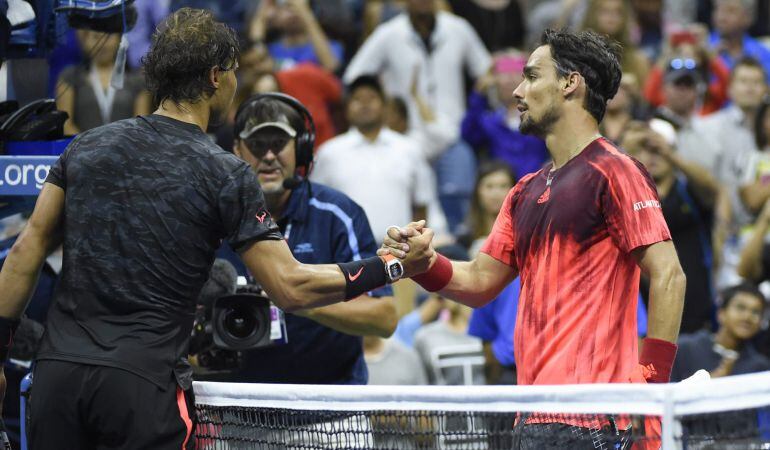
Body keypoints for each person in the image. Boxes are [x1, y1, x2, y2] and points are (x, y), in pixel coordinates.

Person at [0, 9, 429, 449]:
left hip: (58, 379)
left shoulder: (85, 146)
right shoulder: (224, 172)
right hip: (140, 392)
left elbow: (24, 253)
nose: (235, 83)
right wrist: (393, 266)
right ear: (214, 77)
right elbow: (291, 287)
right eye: (234, 73)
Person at [382, 28, 686, 449]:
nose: (518, 91)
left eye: (531, 76)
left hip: (594, 415)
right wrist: (424, 264)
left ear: (569, 83)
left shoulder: (615, 171)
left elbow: (669, 275)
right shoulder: (524, 189)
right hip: (531, 414)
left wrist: (650, 384)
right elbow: (478, 283)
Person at [225, 93, 398, 386]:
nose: (268, 156)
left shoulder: (338, 215)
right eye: (257, 145)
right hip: (239, 409)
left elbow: (383, 317)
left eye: (279, 144)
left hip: (331, 413)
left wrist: (297, 299)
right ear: (237, 151)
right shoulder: (216, 218)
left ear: (301, 149)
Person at [622, 119, 730, 333]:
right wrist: (627, 151)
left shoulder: (689, 191)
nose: (652, 156)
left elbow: (714, 190)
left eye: (658, 150)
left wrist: (669, 153)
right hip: (646, 315)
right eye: (645, 150)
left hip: (697, 312)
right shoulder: (629, 195)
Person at [312, 75, 435, 242]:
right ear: (346, 109)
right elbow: (316, 206)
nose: (365, 103)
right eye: (357, 99)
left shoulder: (409, 149)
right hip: (344, 254)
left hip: (400, 252)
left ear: (384, 107)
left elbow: (421, 204)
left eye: (372, 98)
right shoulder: (329, 152)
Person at [672, 283, 770, 381]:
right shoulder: (685, 349)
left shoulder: (761, 368)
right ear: (721, 313)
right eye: (741, 308)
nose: (747, 317)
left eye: (755, 312)